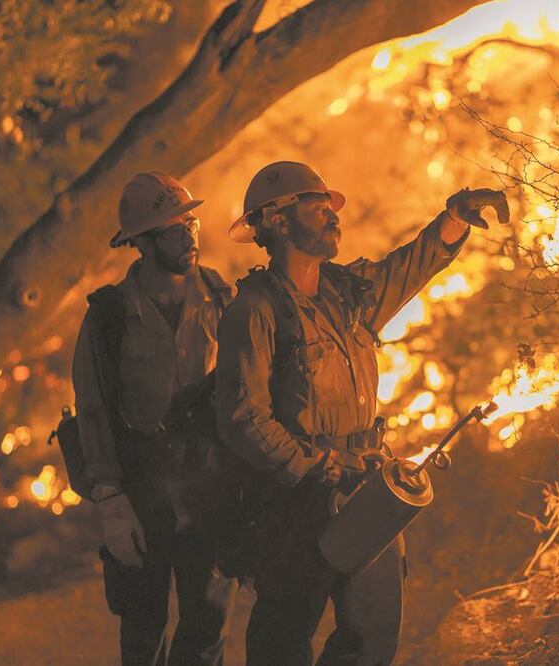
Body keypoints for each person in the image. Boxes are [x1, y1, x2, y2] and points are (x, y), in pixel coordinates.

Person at [214, 161, 507, 665]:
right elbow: (244, 419)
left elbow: (406, 269)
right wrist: (317, 466)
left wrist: (453, 221)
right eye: (317, 207)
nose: (332, 216)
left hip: (366, 488)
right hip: (293, 501)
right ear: (279, 222)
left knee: (372, 634)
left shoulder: (346, 293)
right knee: (283, 638)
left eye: (331, 207)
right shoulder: (256, 311)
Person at [72, 172, 234, 665]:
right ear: (140, 242)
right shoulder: (109, 316)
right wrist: (111, 502)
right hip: (142, 489)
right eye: (171, 230)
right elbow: (93, 413)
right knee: (143, 627)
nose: (188, 237)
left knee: (206, 626)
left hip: (208, 484)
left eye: (191, 222)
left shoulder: (224, 299)